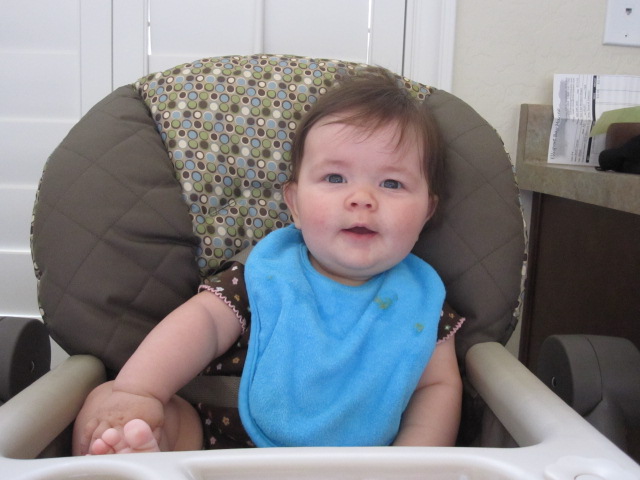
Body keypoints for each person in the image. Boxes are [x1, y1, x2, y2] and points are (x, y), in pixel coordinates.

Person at [72, 66, 464, 456]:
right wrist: (139, 391)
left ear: (426, 212)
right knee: (109, 403)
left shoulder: (423, 302)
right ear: (294, 204)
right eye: (335, 178)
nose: (362, 199)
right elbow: (204, 324)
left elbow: (437, 388)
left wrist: (408, 464)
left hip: (354, 466)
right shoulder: (264, 273)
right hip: (213, 447)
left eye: (392, 183)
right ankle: (137, 451)